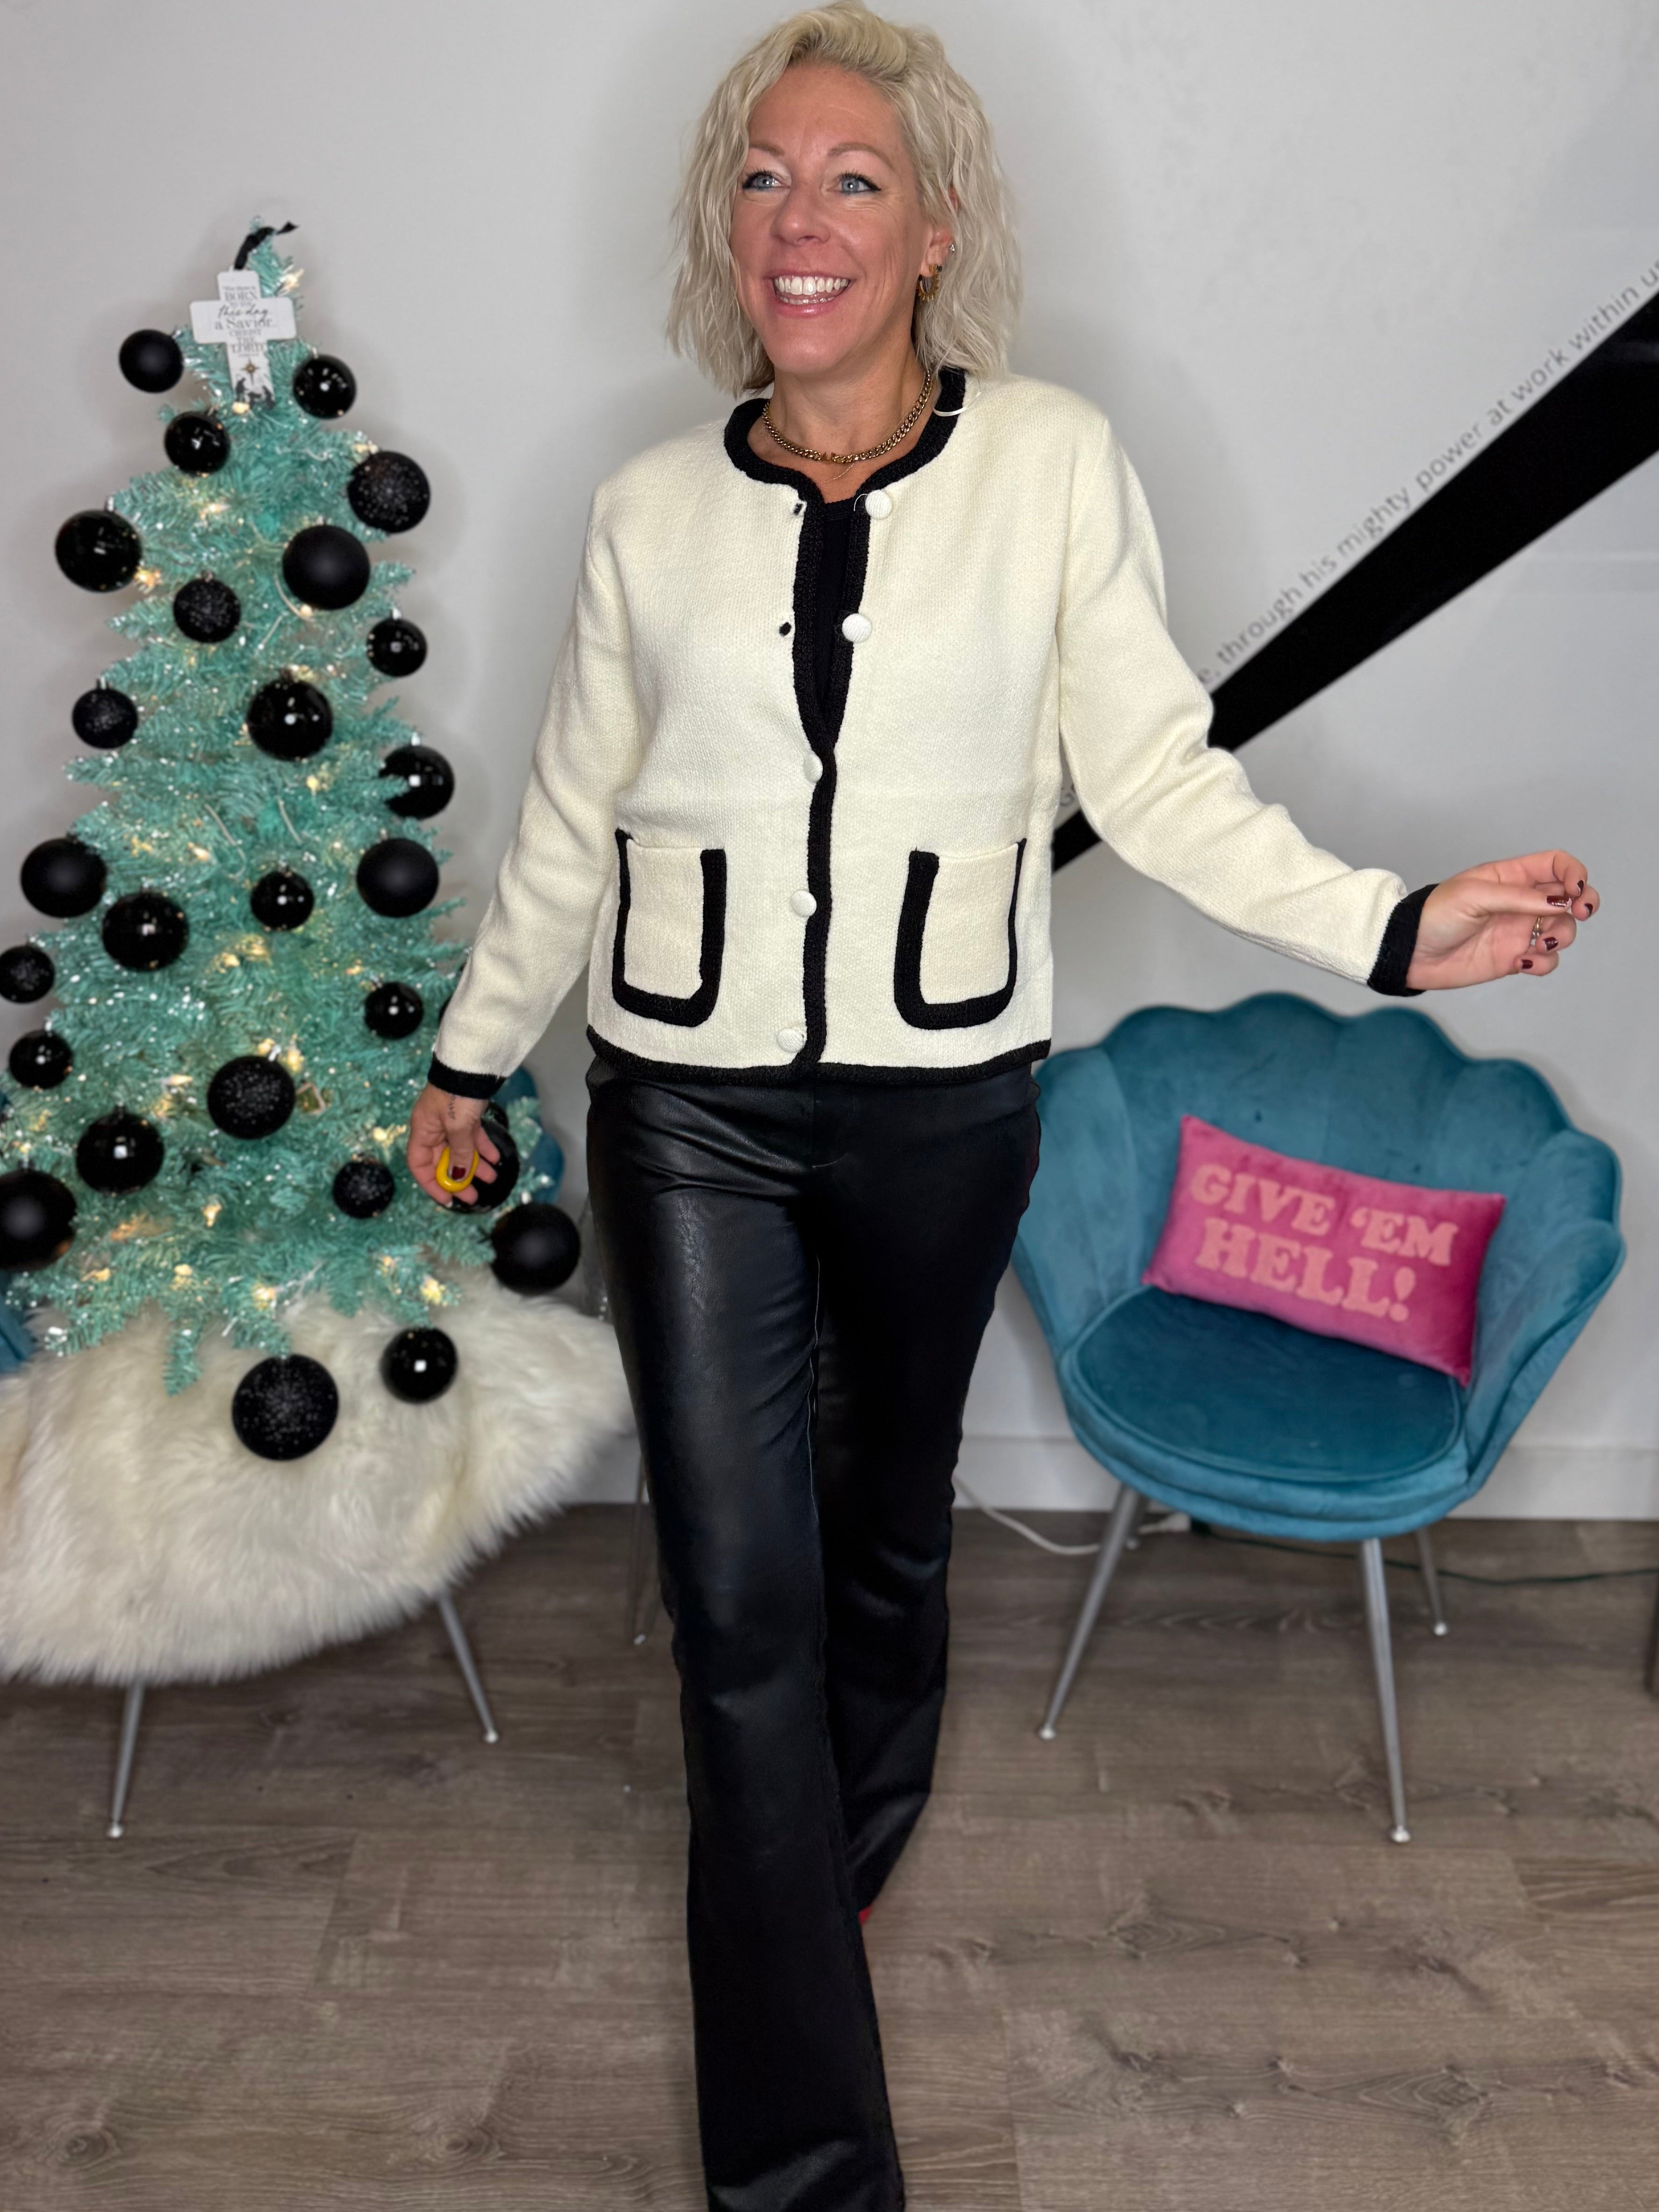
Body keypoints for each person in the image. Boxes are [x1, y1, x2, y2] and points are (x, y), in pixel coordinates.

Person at [406, 7, 1597, 2205]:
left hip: (949, 1093)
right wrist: (475, 1053)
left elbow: (1156, 780)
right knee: (738, 1597)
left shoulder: (1051, 463)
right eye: (765, 177)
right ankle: (805, 2162)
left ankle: (848, 1831)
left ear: (932, 231)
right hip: (688, 1104)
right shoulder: (650, 509)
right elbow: (571, 811)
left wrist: (1393, 924)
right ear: (724, 232)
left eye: (854, 177)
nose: (803, 215)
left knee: (885, 1519)